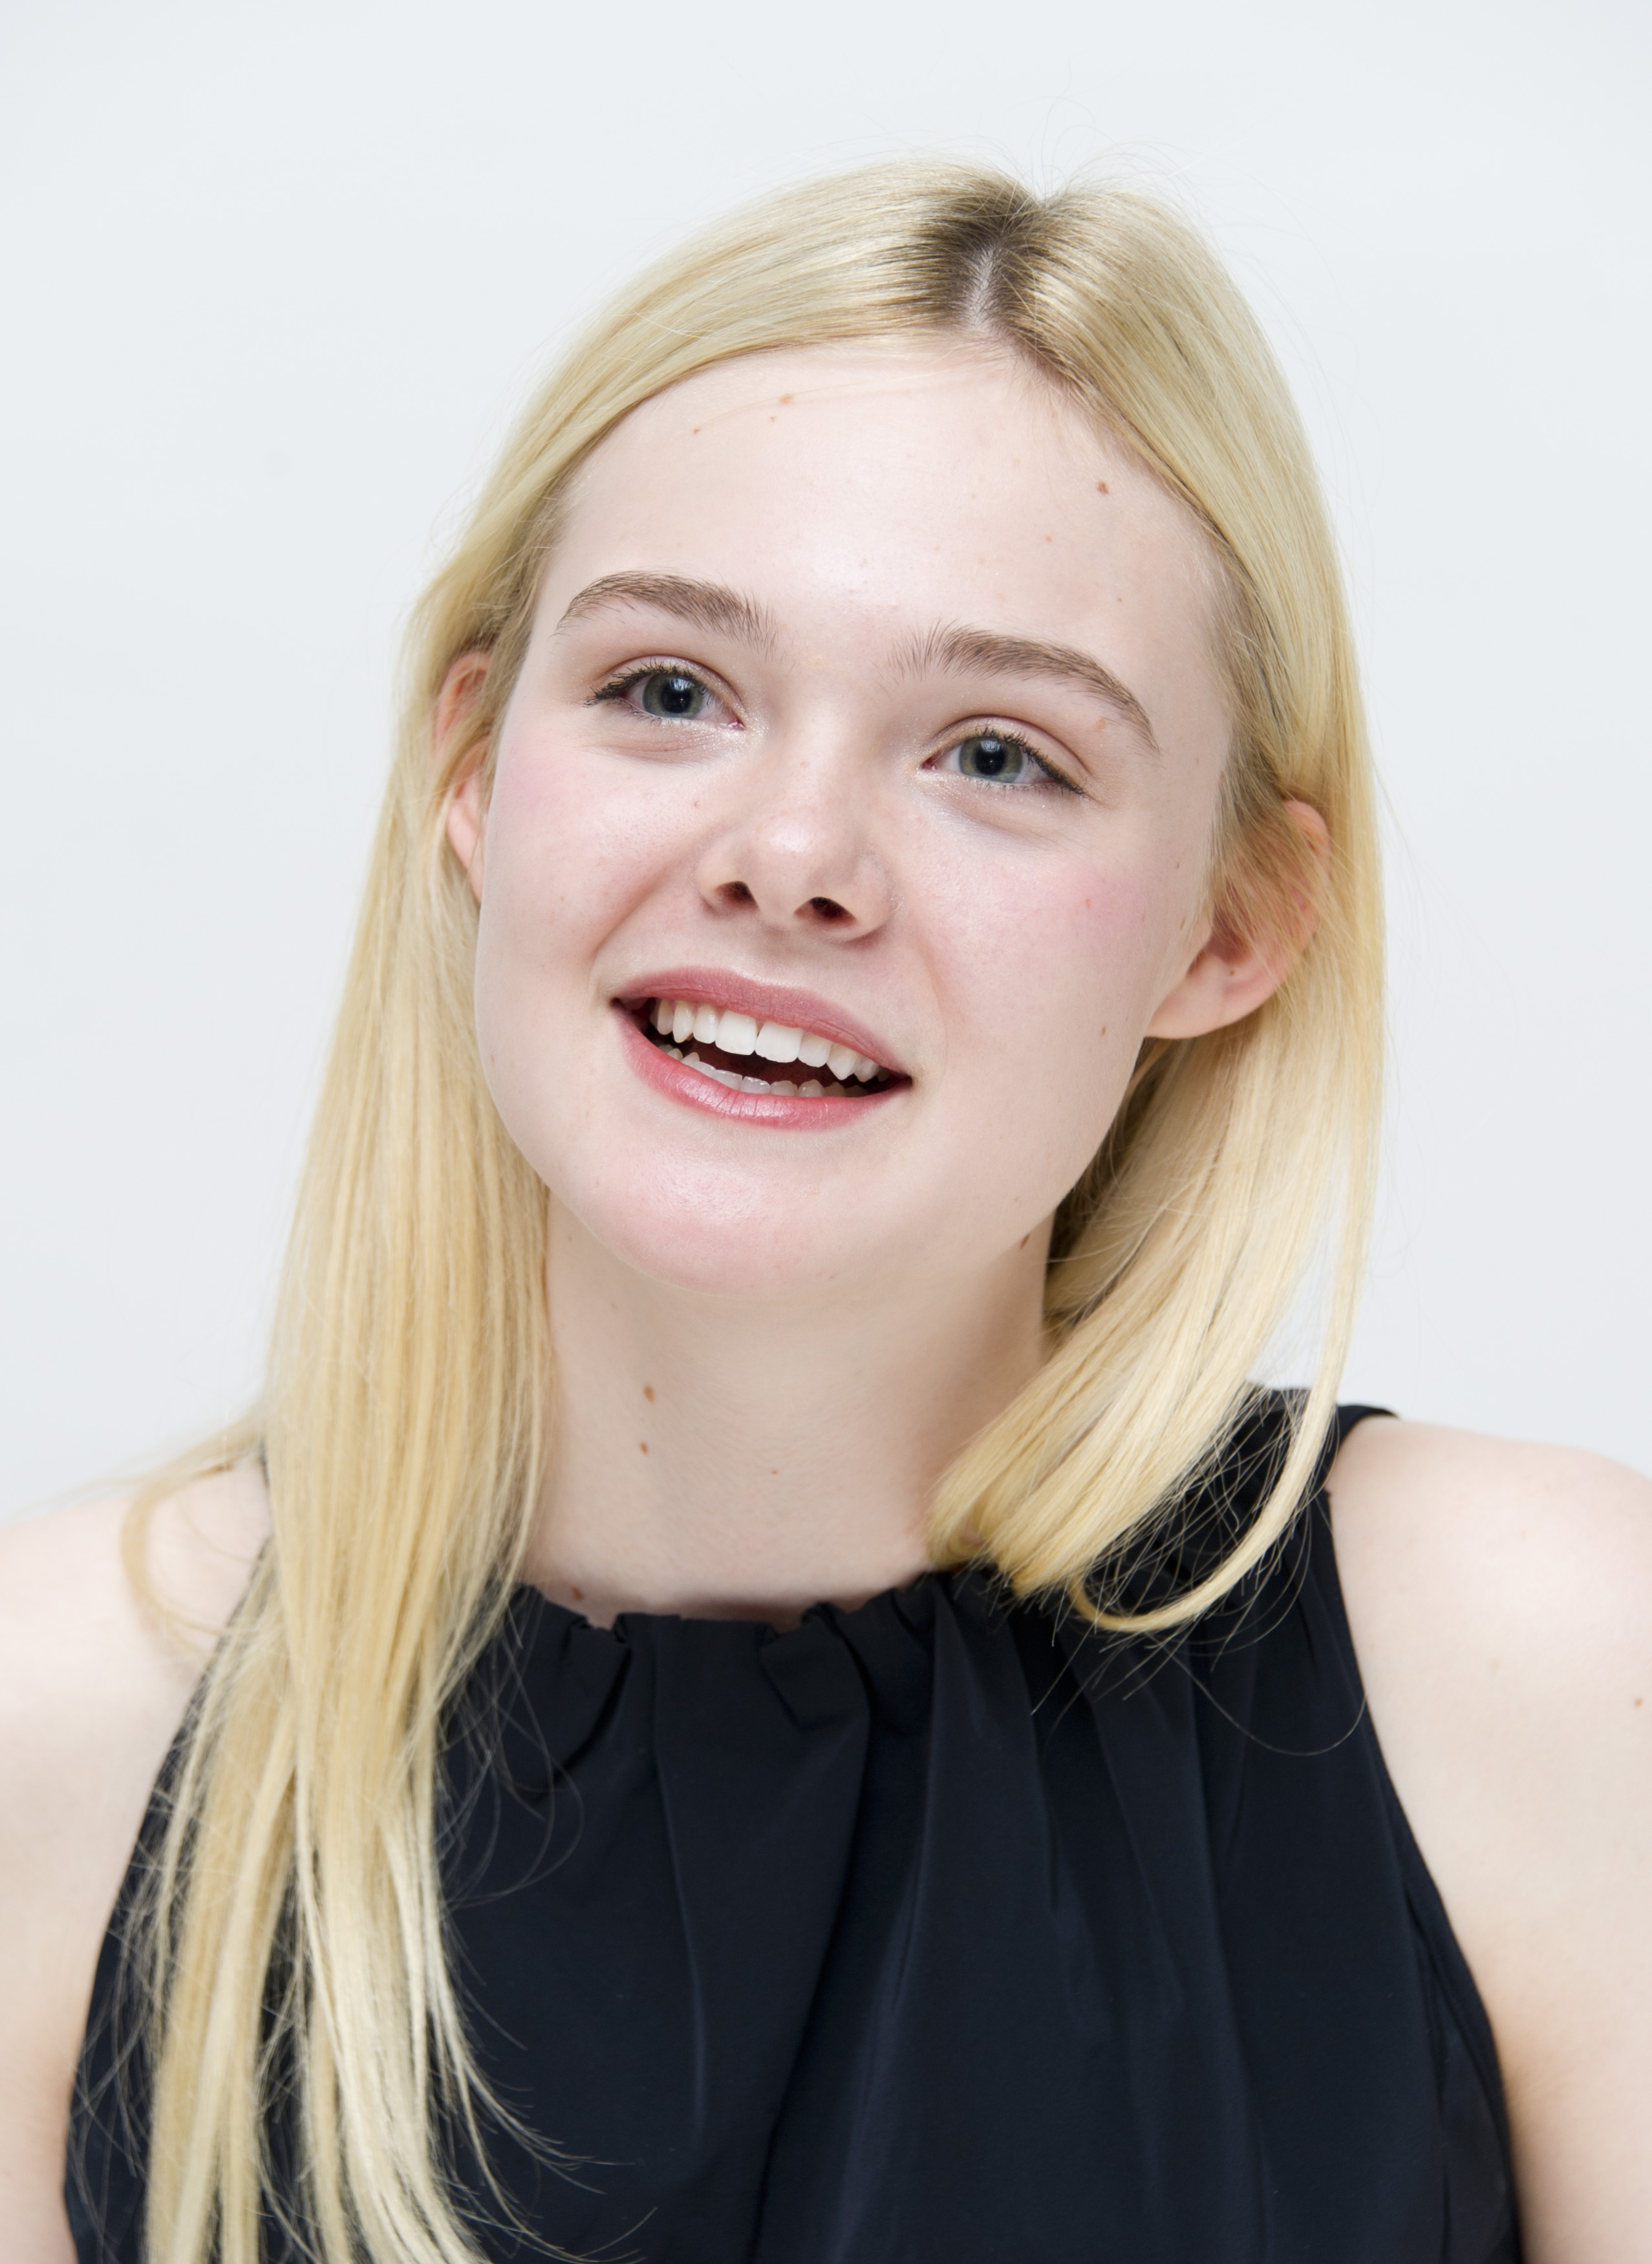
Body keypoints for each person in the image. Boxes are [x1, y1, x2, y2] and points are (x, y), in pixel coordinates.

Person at [1, 160, 1646, 2264]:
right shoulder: (55, 1725)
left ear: (1228, 927)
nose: (790, 857)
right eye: (669, 690)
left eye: (998, 754)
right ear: (472, 773)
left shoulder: (1531, 1663)